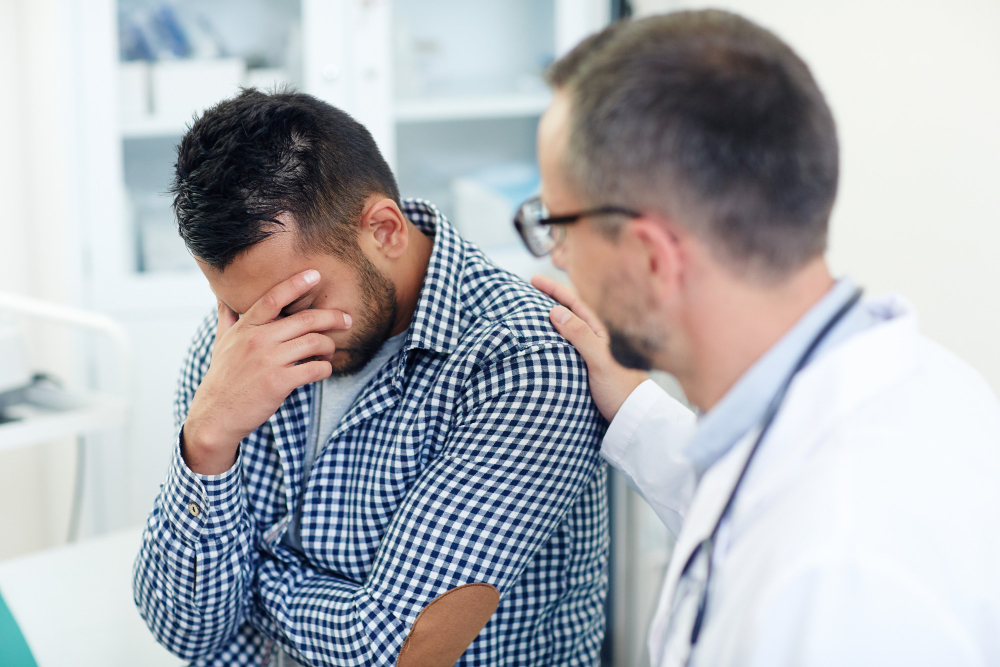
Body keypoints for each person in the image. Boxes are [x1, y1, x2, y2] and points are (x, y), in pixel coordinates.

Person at [522, 10, 1000, 667]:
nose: (558, 260)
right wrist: (635, 404)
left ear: (652, 257)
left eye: (558, 225)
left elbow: (791, 541)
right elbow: (753, 504)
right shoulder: (922, 380)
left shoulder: (845, 578)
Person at [132, 89, 610, 666]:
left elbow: (393, 651)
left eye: (297, 303)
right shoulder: (239, 351)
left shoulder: (522, 360)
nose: (266, 336)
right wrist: (206, 441)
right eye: (242, 311)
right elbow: (185, 631)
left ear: (385, 230)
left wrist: (252, 585)